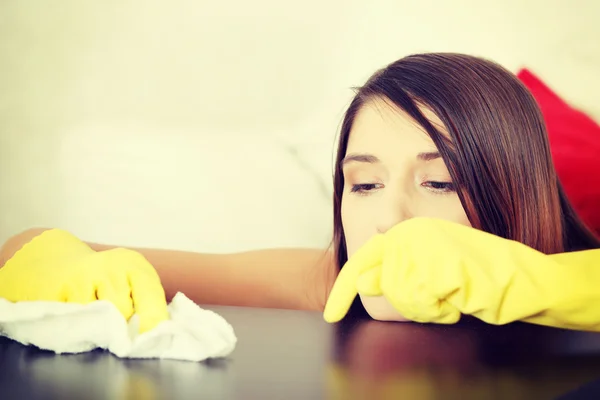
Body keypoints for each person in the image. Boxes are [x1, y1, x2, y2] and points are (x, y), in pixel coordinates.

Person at [1, 53, 600, 332]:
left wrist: (540, 285)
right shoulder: (334, 281)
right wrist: (47, 251)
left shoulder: (568, 279)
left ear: (518, 188)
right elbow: (30, 251)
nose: (388, 218)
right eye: (364, 183)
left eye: (439, 180)